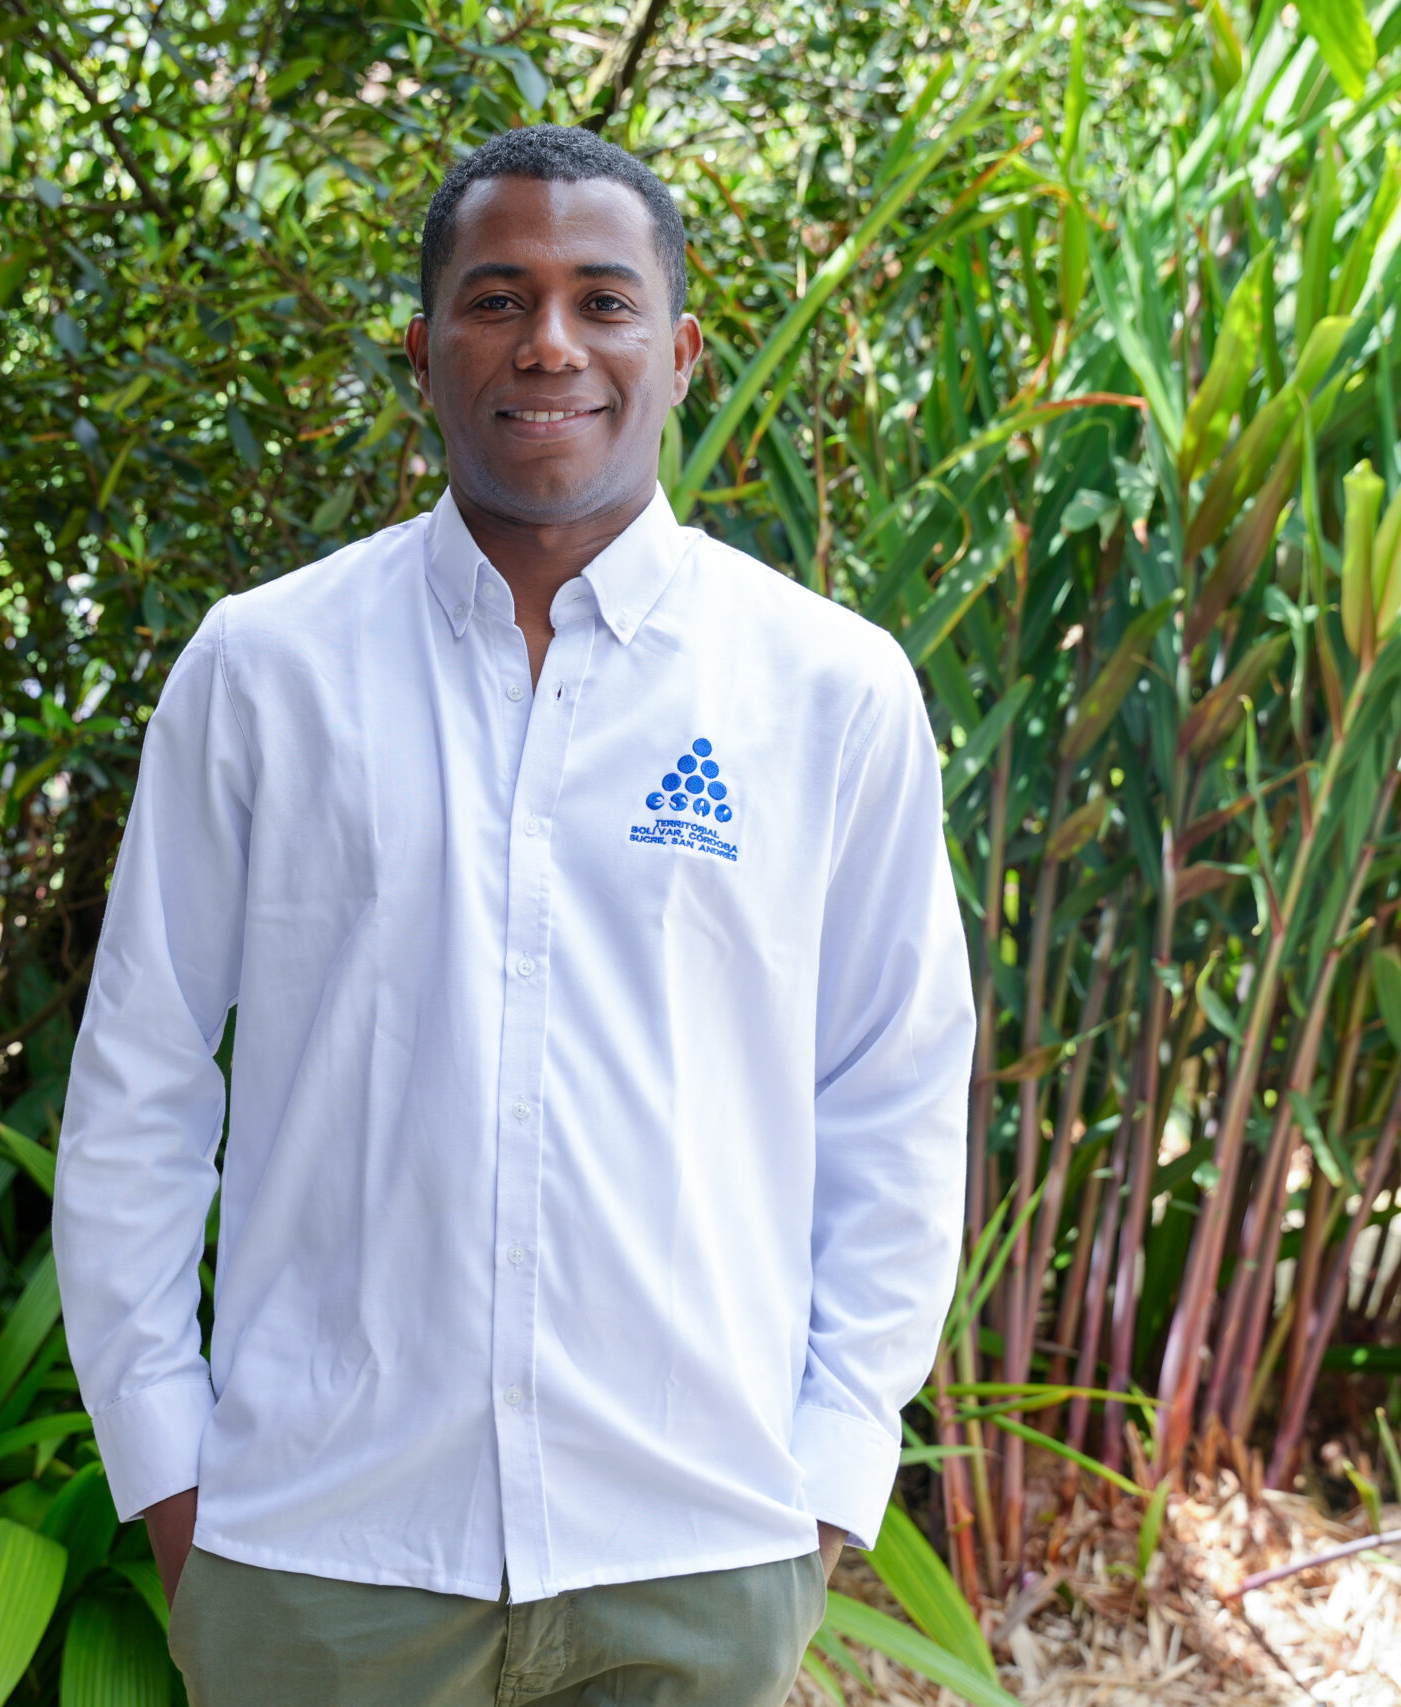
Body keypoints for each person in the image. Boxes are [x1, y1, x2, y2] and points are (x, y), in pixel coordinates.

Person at [53, 123, 974, 1707]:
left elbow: (892, 1101)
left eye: (603, 301)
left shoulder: (827, 689)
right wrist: (171, 1479)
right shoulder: (266, 670)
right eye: (497, 299)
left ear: (679, 354)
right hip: (321, 1555)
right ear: (424, 354)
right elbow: (139, 1081)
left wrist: (826, 1482)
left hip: (697, 1550)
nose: (550, 343)